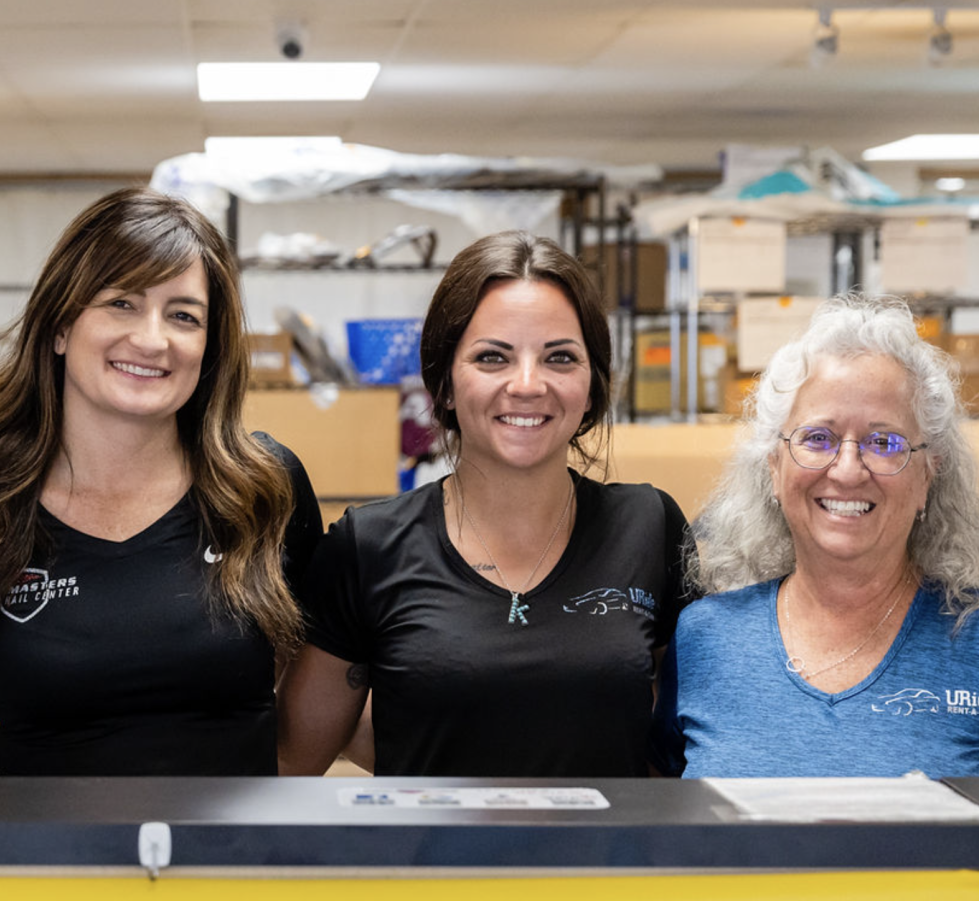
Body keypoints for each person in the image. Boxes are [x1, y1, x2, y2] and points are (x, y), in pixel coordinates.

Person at [0, 186, 321, 775]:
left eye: (184, 315)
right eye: (121, 303)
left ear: (209, 347)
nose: (152, 338)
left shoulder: (263, 487)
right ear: (61, 326)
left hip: (233, 859)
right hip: (48, 862)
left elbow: (322, 698)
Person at [278, 232, 690, 776]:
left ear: (592, 386)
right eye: (493, 357)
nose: (527, 385)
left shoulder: (649, 526)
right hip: (433, 863)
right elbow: (289, 763)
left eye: (560, 358)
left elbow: (689, 742)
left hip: (610, 862)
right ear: (444, 382)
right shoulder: (369, 548)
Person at [653, 293, 979, 778]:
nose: (849, 469)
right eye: (818, 438)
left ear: (928, 475)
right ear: (773, 468)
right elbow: (668, 828)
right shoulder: (704, 638)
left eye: (885, 442)